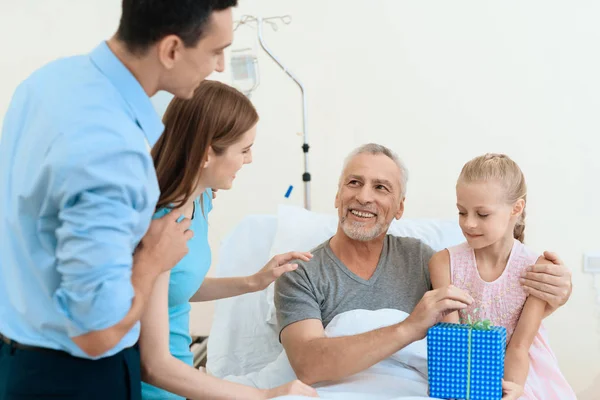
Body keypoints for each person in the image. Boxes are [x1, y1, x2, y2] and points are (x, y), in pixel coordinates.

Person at [0, 1, 238, 399]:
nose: (219, 66)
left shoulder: (48, 82)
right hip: (76, 379)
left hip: (17, 361)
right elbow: (96, 333)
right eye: (216, 51)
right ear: (171, 50)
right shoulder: (113, 152)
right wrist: (151, 260)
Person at [274, 143, 573, 385]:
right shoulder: (301, 274)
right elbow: (309, 365)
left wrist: (557, 291)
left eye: (381, 188)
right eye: (354, 183)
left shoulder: (423, 259)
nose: (364, 196)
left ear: (400, 207)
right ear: (338, 195)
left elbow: (490, 306)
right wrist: (409, 328)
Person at [139, 80, 318, 399]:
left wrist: (253, 282)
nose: (249, 160)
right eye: (244, 150)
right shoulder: (156, 223)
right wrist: (265, 396)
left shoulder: (201, 199)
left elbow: (176, 286)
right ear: (208, 153)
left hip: (179, 377)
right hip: (150, 385)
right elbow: (154, 365)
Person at [429, 153, 576, 400]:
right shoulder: (443, 263)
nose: (469, 224)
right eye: (462, 212)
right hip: (464, 371)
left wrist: (509, 391)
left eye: (482, 214)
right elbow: (455, 341)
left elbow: (519, 347)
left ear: (515, 209)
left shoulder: (536, 267)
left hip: (521, 373)